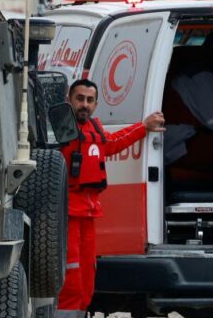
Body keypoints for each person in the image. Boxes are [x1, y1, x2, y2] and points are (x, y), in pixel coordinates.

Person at [57, 79, 164, 318]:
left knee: (87, 282)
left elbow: (113, 144)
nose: (84, 104)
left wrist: (143, 127)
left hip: (88, 213)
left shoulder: (94, 128)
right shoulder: (59, 129)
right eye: (79, 98)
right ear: (69, 100)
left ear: (95, 104)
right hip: (66, 215)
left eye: (89, 100)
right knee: (70, 281)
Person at [162, 31, 213, 169]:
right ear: (206, 50)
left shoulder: (197, 73)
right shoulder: (200, 76)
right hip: (182, 143)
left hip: (175, 142)